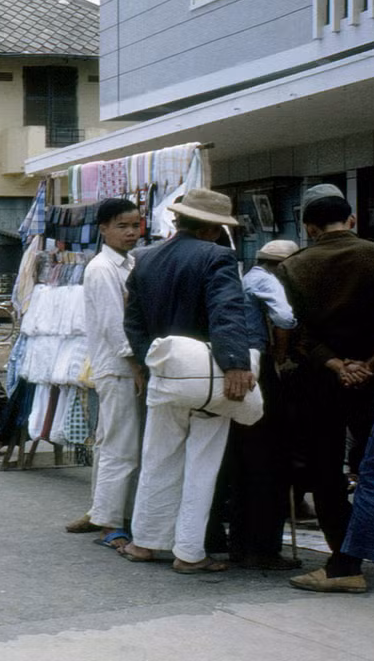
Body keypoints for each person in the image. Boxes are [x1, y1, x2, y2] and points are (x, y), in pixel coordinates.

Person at [119, 188, 254, 573]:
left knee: (158, 459)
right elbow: (227, 311)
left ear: (178, 221)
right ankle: (189, 552)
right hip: (205, 376)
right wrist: (236, 364)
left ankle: (143, 542)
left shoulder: (145, 259)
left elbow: (133, 322)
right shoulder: (217, 257)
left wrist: (150, 360)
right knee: (202, 465)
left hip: (164, 373)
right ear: (213, 228)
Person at [278, 184, 374, 593]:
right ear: (352, 220)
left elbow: (296, 333)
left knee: (326, 471)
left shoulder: (292, 267)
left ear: (308, 228)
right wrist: (370, 362)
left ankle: (344, 563)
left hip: (321, 379)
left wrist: (337, 364)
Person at [211, 239, 300, 570]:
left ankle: (240, 544)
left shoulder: (245, 278)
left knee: (243, 460)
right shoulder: (266, 279)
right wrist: (280, 353)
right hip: (259, 368)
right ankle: (262, 548)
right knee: (269, 460)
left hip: (238, 367)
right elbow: (286, 316)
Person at [79, 198, 143, 550]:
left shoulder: (129, 263)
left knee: (111, 444)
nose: (131, 232)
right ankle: (109, 524)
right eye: (123, 226)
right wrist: (135, 366)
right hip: (118, 369)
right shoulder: (102, 268)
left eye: (135, 225)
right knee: (122, 448)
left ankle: (102, 512)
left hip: (121, 368)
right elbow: (113, 325)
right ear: (104, 228)